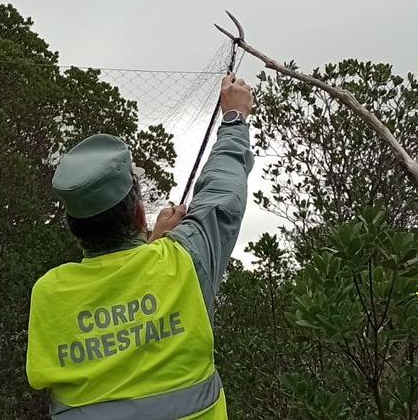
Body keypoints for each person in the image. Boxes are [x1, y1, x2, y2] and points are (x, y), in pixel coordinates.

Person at [26, 74, 254, 419]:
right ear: (137, 213)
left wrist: (153, 243)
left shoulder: (48, 294)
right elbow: (223, 191)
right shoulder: (183, 262)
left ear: (75, 227)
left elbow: (119, 297)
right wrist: (234, 118)